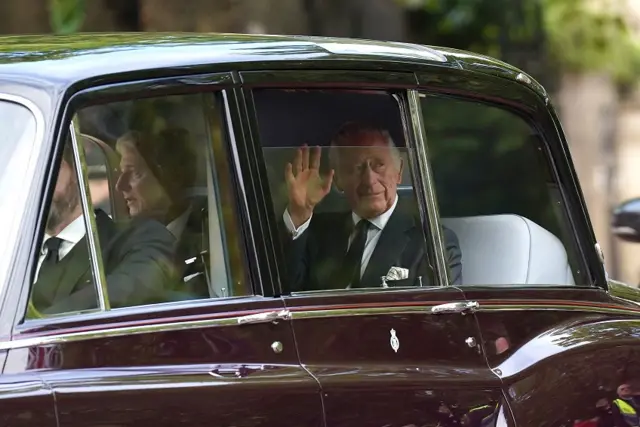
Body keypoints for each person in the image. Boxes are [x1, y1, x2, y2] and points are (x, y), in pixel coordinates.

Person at [281, 121, 462, 292]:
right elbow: (284, 293)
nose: (369, 180)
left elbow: (438, 319)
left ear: (399, 171)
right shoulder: (316, 232)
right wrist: (299, 213)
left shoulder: (433, 242)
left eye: (379, 165)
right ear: (337, 180)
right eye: (356, 168)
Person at [30, 138, 179, 315]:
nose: (33, 182)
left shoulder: (140, 237)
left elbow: (133, 287)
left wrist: (33, 322)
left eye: (45, 167)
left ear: (78, 171)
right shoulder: (10, 256)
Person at [115, 127, 208, 298]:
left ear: (171, 177)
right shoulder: (123, 240)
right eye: (121, 173)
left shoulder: (209, 238)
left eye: (134, 172)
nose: (120, 185)